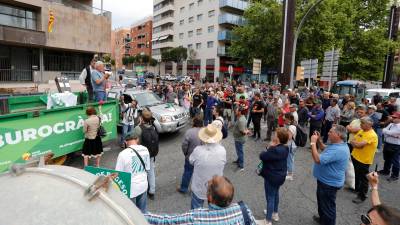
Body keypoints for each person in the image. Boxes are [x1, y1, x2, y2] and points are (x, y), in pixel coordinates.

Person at [145, 176, 257, 225]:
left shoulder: (196, 216)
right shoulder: (244, 211)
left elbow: (166, 221)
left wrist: (142, 215)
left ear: (210, 198)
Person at [310, 125, 350, 225]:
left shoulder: (338, 149)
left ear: (338, 135)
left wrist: (313, 142)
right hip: (325, 181)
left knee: (328, 207)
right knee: (323, 203)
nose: (328, 133)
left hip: (329, 184)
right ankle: (323, 219)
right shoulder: (337, 145)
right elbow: (324, 148)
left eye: (331, 132)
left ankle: (327, 221)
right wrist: (319, 140)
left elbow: (318, 159)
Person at [189, 124, 226, 209]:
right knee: (213, 210)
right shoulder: (222, 150)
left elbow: (191, 161)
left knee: (196, 211)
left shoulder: (198, 150)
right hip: (215, 186)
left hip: (199, 186)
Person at [259, 127, 289, 225]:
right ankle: (274, 213)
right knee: (275, 194)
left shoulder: (275, 149)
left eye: (275, 134)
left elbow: (262, 156)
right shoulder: (285, 147)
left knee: (270, 197)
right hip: (280, 175)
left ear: (279, 138)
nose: (274, 135)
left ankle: (267, 221)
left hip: (272, 176)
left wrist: (269, 147)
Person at [115, 132, 150, 213]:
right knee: (143, 212)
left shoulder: (123, 154)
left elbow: (118, 174)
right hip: (143, 185)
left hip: (130, 189)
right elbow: (147, 168)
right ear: (137, 139)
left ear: (126, 142)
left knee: (131, 213)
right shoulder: (145, 149)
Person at [350, 117, 378, 204]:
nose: (360, 125)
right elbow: (352, 141)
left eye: (362, 123)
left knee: (364, 178)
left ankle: (362, 196)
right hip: (356, 156)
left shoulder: (372, 135)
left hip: (364, 160)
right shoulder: (361, 131)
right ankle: (356, 188)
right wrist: (356, 144)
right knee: (356, 174)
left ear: (369, 125)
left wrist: (356, 144)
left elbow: (358, 145)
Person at [133, 109, 159, 200]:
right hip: (151, 154)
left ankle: (140, 190)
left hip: (140, 154)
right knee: (151, 172)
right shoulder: (153, 127)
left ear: (141, 118)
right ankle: (152, 190)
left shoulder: (138, 128)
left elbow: (133, 139)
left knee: (140, 172)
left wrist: (138, 123)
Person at [178, 116, 203, 194]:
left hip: (190, 156)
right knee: (199, 173)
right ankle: (197, 189)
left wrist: (186, 154)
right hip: (202, 157)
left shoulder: (189, 132)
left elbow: (184, 146)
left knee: (187, 172)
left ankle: (184, 188)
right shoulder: (204, 132)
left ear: (194, 123)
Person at [379, 111, 400, 182]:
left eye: (395, 117)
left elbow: (387, 131)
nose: (393, 118)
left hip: (396, 145)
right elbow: (383, 130)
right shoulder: (391, 124)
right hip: (387, 143)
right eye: (393, 117)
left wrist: (388, 132)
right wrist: (391, 134)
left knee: (395, 161)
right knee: (387, 158)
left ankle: (395, 175)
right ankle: (386, 171)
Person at [233, 107, 249, 171]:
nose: (235, 112)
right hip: (238, 138)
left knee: (240, 151)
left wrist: (247, 132)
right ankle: (238, 160)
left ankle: (241, 165)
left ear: (240, 112)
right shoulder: (240, 117)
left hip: (239, 139)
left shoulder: (241, 120)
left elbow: (243, 131)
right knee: (239, 150)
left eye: (236, 111)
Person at [284, 113, 297, 181]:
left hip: (290, 145)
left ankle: (290, 174)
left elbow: (289, 137)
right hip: (290, 144)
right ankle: (287, 171)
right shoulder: (291, 125)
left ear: (288, 119)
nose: (284, 119)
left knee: (290, 160)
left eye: (285, 118)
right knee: (288, 159)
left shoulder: (291, 127)